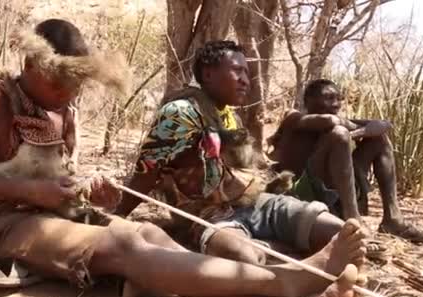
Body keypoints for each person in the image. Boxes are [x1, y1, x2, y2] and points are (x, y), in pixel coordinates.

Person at [0, 20, 365, 297]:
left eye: (76, 83)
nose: (70, 91)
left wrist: (90, 191)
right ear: (31, 65)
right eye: (60, 81)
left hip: (48, 213)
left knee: (150, 233)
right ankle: (285, 282)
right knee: (127, 248)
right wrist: (25, 191)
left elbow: (56, 179)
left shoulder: (65, 112)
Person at [115, 41, 365, 266]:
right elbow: (147, 172)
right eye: (237, 71)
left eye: (246, 72)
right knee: (243, 258)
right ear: (208, 74)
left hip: (258, 203)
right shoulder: (180, 112)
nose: (246, 79)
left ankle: (273, 249)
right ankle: (278, 256)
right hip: (210, 216)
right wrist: (117, 215)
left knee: (340, 233)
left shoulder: (228, 115)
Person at [268, 79, 423, 243]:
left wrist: (355, 133)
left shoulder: (339, 125)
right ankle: (352, 220)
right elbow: (330, 121)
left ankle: (393, 220)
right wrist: (355, 131)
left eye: (338, 99)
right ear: (308, 101)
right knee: (339, 134)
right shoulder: (294, 117)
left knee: (378, 139)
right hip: (302, 193)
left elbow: (384, 125)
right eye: (328, 98)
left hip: (333, 190)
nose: (336, 104)